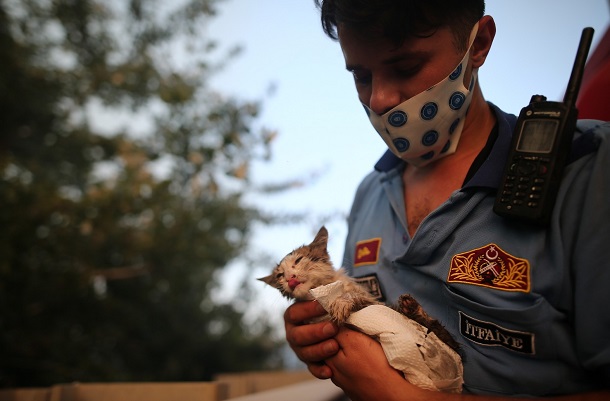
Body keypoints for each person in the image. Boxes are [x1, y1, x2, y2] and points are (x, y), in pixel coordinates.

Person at [283, 1, 610, 400]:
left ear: (479, 44)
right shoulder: (370, 193)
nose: (380, 99)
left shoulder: (587, 170)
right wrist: (319, 334)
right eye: (362, 76)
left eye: (405, 68)